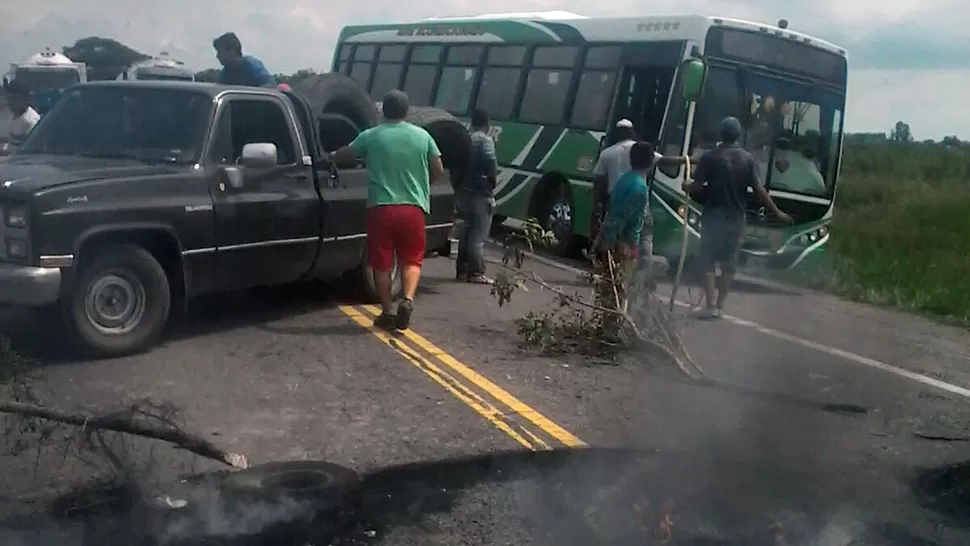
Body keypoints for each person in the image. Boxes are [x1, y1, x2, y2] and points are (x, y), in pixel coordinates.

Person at [327, 90, 445, 331]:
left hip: (382, 208)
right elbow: (438, 169)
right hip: (413, 208)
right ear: (406, 111)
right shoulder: (423, 136)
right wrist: (423, 186)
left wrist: (330, 156)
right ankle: (408, 299)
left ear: (383, 111)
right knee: (411, 259)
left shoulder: (371, 136)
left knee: (382, 263)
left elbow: (345, 156)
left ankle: (388, 312)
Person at [682, 116, 793, 319]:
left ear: (721, 134)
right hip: (736, 218)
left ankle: (710, 305)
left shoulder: (710, 157)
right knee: (728, 263)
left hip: (714, 216)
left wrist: (686, 185)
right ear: (738, 135)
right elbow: (759, 190)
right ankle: (720, 307)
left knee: (707, 261)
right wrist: (776, 212)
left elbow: (696, 186)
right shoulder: (747, 159)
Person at [595, 141, 657, 336]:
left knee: (610, 284)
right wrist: (630, 245)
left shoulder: (623, 179)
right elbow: (629, 220)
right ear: (650, 164)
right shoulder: (640, 189)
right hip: (623, 243)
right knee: (621, 286)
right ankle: (614, 329)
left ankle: (608, 324)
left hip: (612, 237)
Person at [455, 108, 498, 284]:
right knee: (478, 235)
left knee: (465, 233)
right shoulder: (485, 141)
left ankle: (461, 271)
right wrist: (492, 179)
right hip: (481, 194)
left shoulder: (466, 139)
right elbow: (490, 160)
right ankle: (476, 272)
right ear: (487, 124)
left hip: (464, 192)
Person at [1, 80, 40, 154]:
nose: (10, 102)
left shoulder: (31, 122)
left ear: (25, 99)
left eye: (14, 99)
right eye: (8, 99)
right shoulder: (11, 114)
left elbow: (25, 151)